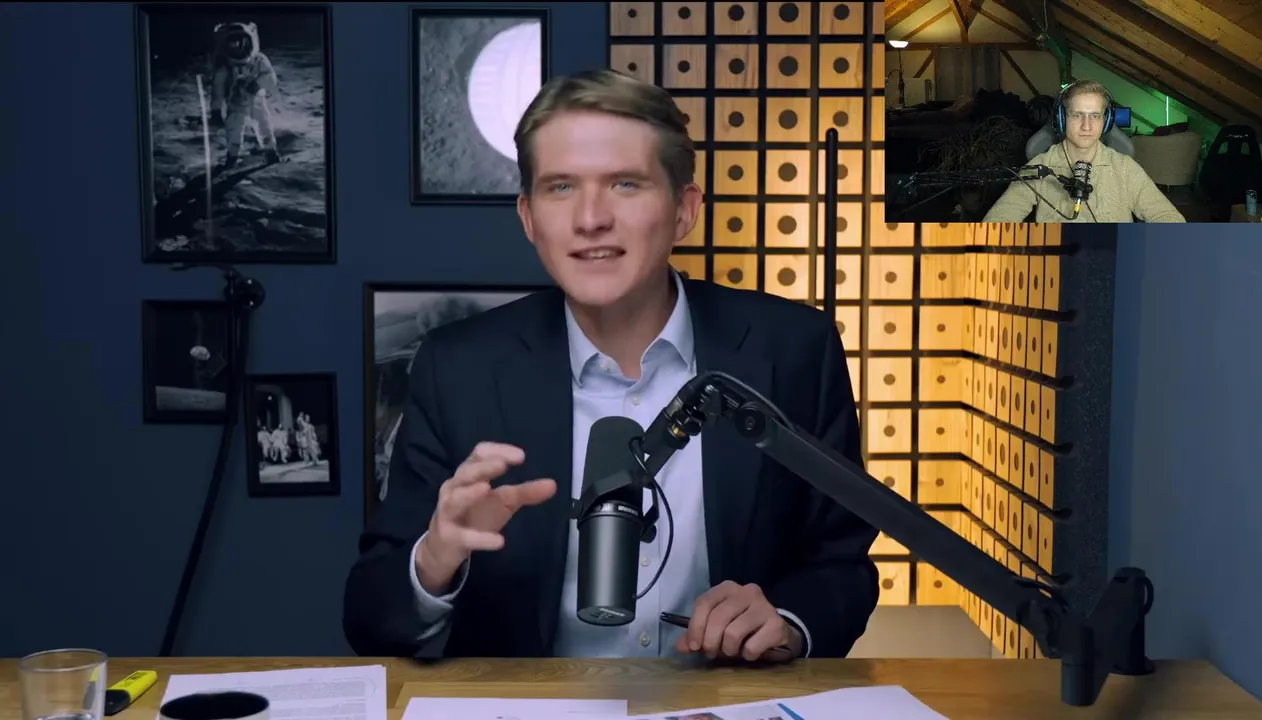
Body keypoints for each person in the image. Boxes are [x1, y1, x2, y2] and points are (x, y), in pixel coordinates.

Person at [342, 68, 880, 663]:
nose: (590, 218)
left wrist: (788, 623)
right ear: (529, 218)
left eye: (625, 184)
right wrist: (433, 561)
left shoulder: (795, 348)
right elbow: (369, 615)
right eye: (561, 187)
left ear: (684, 210)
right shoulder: (456, 368)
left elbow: (841, 562)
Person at [984, 79, 1185, 223]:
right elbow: (1000, 218)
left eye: (1095, 116)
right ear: (1061, 119)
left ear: (1106, 121)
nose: (1086, 126)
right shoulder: (1041, 166)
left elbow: (1168, 217)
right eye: (1077, 115)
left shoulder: (1124, 168)